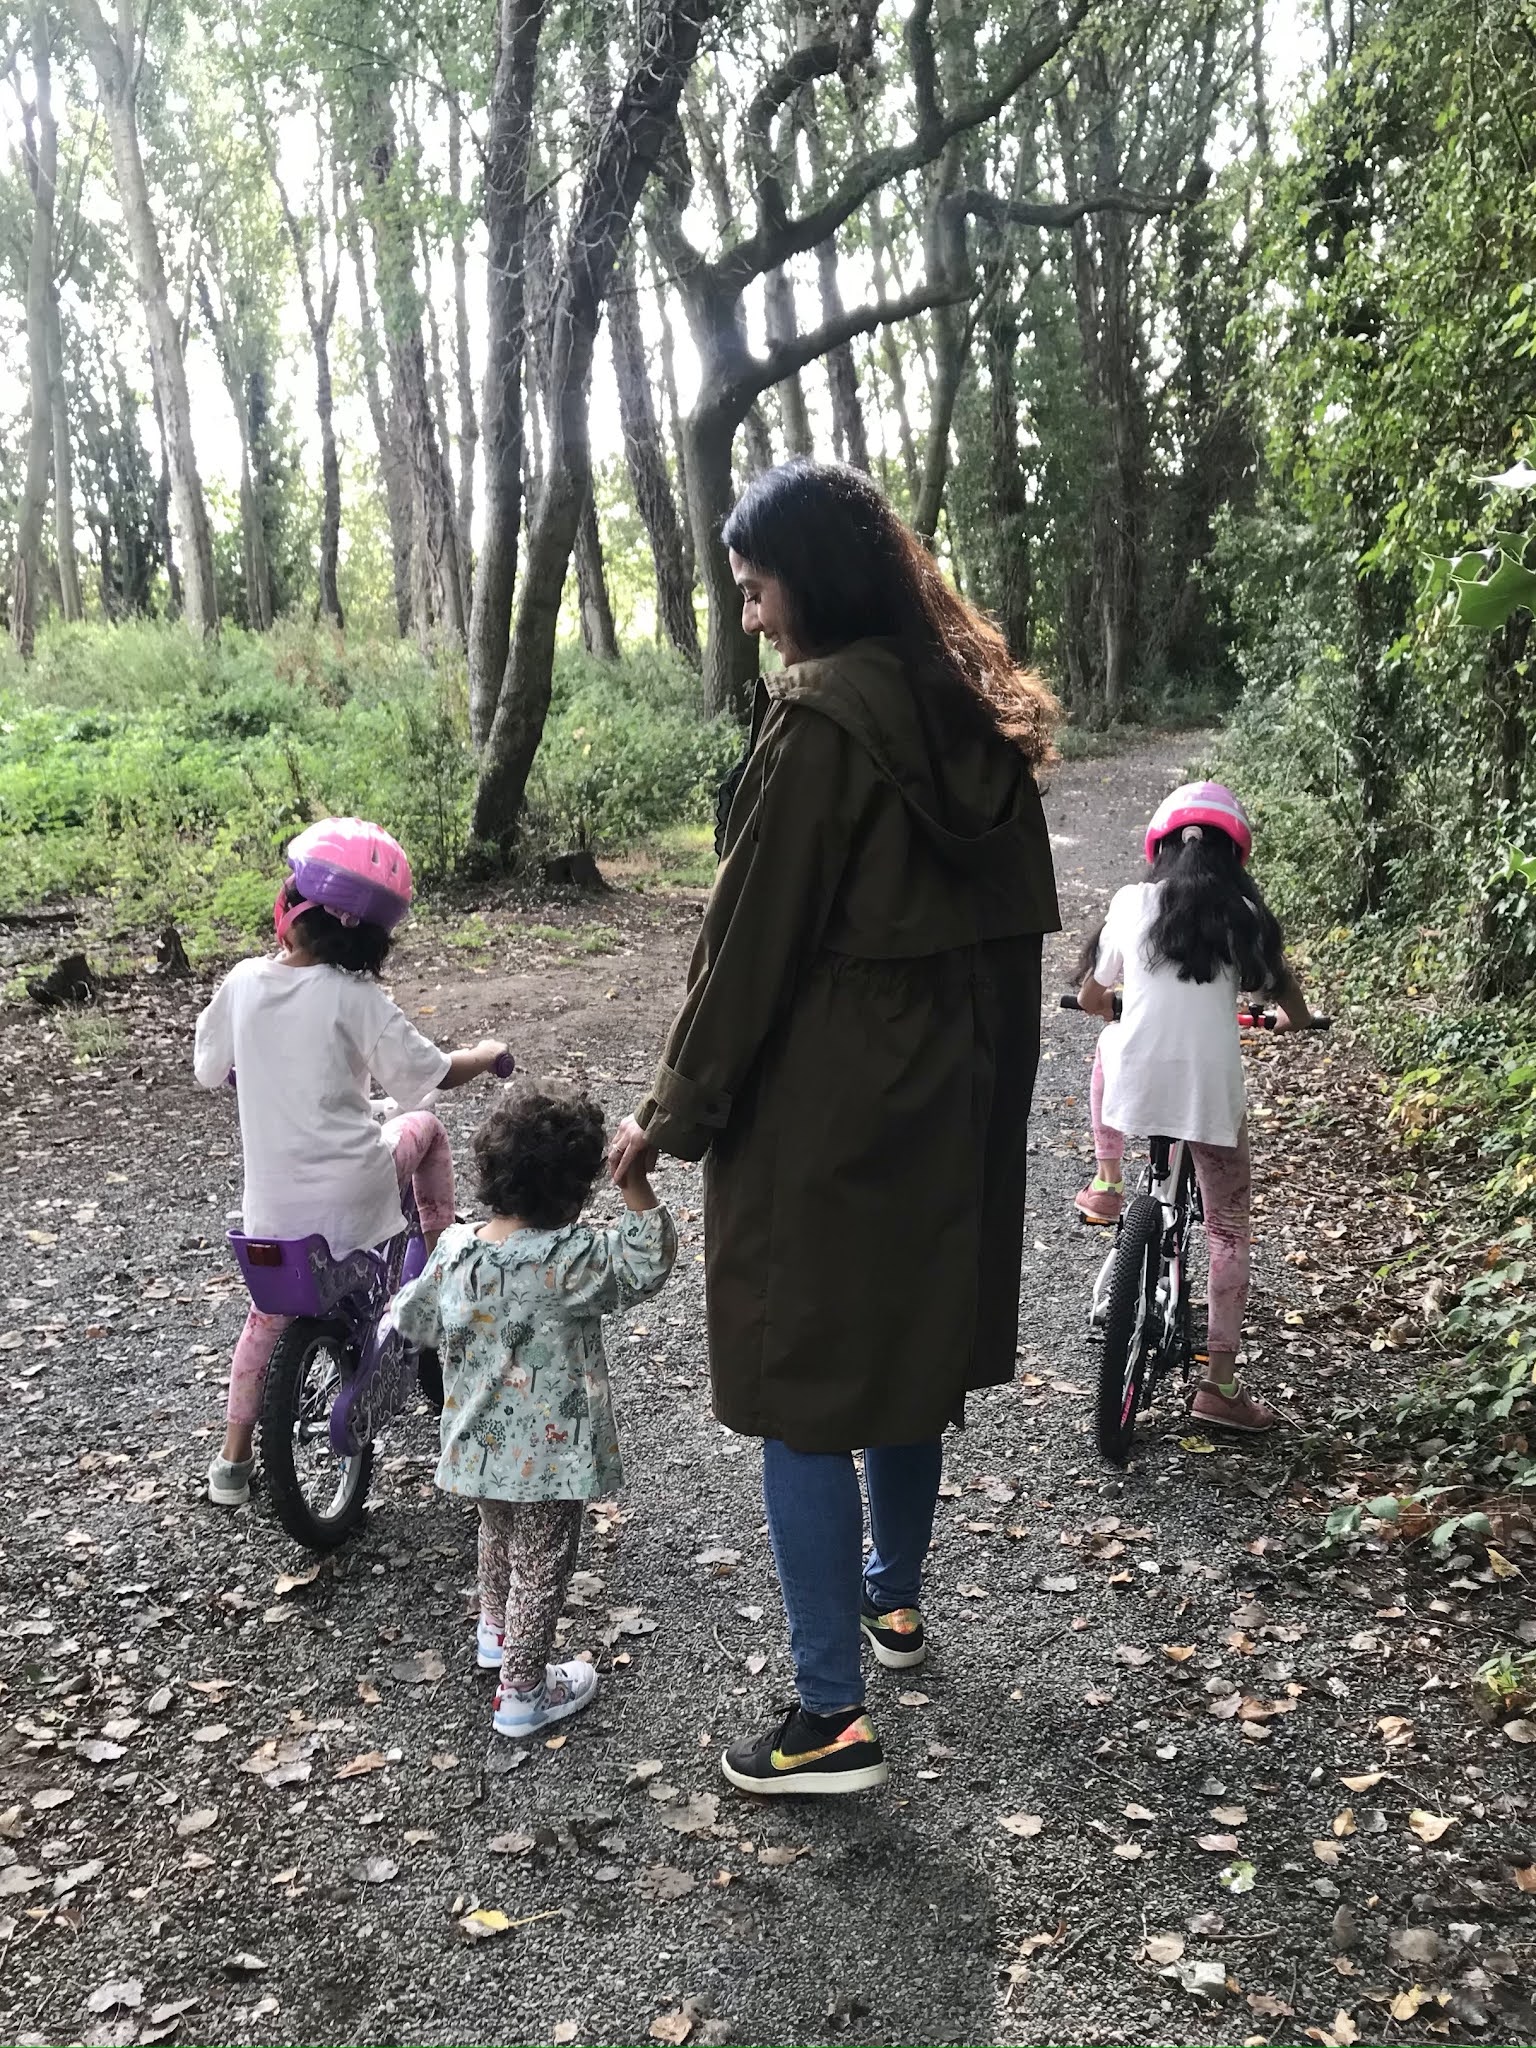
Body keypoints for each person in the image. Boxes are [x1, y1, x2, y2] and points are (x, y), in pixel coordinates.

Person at [608, 460, 1061, 1796]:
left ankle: (827, 1719)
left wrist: (668, 1117)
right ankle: (895, 1597)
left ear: (812, 579)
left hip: (827, 1106)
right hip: (953, 1098)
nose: (751, 617)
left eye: (756, 588)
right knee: (905, 1354)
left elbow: (748, 948)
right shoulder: (967, 710)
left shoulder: (820, 721)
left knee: (800, 1388)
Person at [193, 818, 509, 1507]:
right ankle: (436, 1259)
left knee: (262, 1323)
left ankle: (231, 1464)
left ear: (289, 911)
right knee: (421, 1128)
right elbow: (425, 1075)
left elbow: (210, 1067)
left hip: (273, 1217)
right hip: (354, 1197)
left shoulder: (243, 983)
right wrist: (484, 1056)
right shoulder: (357, 998)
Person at [389, 1092, 677, 1738]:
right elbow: (648, 1260)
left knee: (496, 1535)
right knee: (543, 1564)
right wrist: (635, 1181)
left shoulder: (459, 1248)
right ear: (573, 1194)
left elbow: (414, 1320)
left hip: (477, 1443)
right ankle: (522, 1691)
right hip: (549, 1454)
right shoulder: (570, 1259)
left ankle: (496, 1633)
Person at [1072, 779, 1318, 1434]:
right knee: (1229, 1231)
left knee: (1109, 1043)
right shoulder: (1242, 914)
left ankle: (1108, 1179)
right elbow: (1283, 989)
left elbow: (1096, 994)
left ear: (1159, 845)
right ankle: (1220, 1386)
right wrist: (1300, 1020)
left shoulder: (1131, 902)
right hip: (1210, 1096)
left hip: (1134, 1092)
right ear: (1235, 852)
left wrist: (1113, 1005)